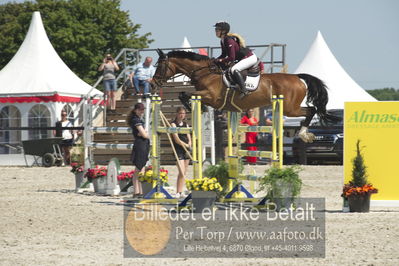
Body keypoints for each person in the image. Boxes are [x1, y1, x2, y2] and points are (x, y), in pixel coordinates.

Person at [213, 21, 258, 98]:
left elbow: (232, 58)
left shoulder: (229, 40)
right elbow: (223, 54)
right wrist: (214, 60)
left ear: (223, 31)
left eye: (217, 29)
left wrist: (221, 60)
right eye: (216, 29)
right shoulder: (223, 40)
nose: (215, 31)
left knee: (234, 69)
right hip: (243, 58)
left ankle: (244, 90)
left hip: (249, 58)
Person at [126, 103, 150, 197]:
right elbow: (144, 134)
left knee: (140, 168)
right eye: (140, 110)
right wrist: (147, 135)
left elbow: (142, 133)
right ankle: (137, 191)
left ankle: (138, 191)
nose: (142, 111)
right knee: (139, 168)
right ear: (136, 110)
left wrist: (144, 134)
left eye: (142, 109)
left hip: (142, 144)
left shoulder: (138, 119)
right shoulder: (136, 119)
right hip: (141, 144)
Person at [170, 107, 192, 198]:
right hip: (178, 149)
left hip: (186, 150)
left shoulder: (186, 124)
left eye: (183, 113)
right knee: (181, 171)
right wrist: (185, 145)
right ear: (177, 114)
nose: (182, 115)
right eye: (180, 113)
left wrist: (189, 144)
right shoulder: (173, 124)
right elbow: (176, 139)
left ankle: (180, 191)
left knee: (184, 172)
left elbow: (188, 136)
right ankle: (178, 192)